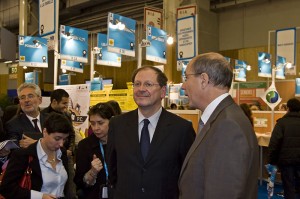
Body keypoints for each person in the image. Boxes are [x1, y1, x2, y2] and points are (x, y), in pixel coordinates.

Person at [107, 66, 195, 199]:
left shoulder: (181, 129)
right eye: (137, 84)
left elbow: (189, 175)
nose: (141, 89)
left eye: (148, 84)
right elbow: (113, 169)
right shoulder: (117, 124)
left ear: (162, 91)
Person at [178, 52, 259, 199]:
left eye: (186, 77)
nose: (183, 86)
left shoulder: (227, 126)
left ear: (203, 80)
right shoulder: (223, 118)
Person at [0, 112, 73, 199]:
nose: (61, 144)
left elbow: (67, 188)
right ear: (45, 132)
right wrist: (40, 196)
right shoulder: (23, 155)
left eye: (64, 139)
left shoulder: (62, 153)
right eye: (57, 138)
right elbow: (6, 188)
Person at [74, 102, 115, 198]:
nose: (96, 128)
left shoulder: (122, 142)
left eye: (100, 123)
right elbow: (79, 182)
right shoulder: (85, 145)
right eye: (92, 123)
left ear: (111, 121)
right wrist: (92, 172)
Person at [41, 88, 76, 199]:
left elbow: (72, 134)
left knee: (69, 184)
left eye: (67, 103)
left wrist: (70, 149)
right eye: (64, 103)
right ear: (55, 102)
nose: (66, 106)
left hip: (65, 155)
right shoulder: (43, 116)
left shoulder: (67, 115)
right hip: (48, 156)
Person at [268, 98, 300, 199]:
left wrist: (272, 161)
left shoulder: (281, 123)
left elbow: (274, 144)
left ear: (288, 108)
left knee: (288, 187)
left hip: (286, 161)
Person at [5, 83, 48, 148]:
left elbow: (61, 143)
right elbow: (15, 151)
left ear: (40, 100)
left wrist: (37, 143)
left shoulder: (52, 120)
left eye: (30, 96)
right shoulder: (13, 125)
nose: (26, 100)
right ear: (20, 102)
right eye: (22, 97)